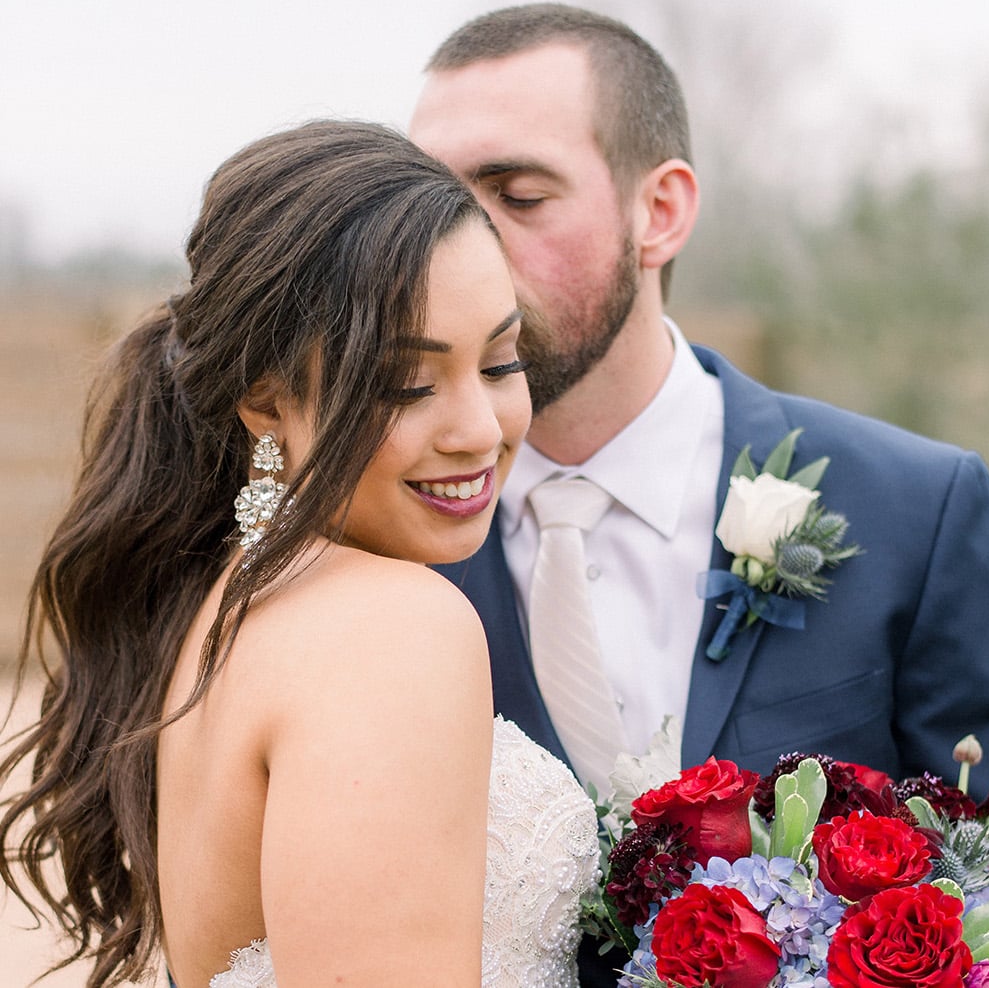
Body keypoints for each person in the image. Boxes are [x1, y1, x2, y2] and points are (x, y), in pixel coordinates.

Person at [411, 6, 989, 982]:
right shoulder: (375, 545)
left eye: (516, 194)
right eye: (430, 203)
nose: (460, 247)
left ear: (663, 211)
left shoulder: (919, 513)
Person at [0, 121, 600, 987]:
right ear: (264, 400)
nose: (479, 429)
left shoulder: (230, 602)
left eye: (501, 363)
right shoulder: (394, 628)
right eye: (410, 383)